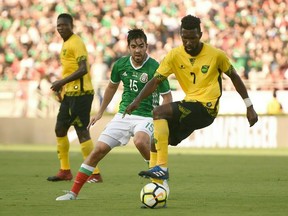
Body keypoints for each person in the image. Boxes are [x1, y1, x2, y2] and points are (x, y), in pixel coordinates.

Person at [124, 15, 259, 182]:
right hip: (189, 108)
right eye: (184, 38)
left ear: (200, 35)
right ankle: (157, 186)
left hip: (206, 108)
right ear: (180, 35)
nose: (188, 42)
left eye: (192, 38)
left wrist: (249, 106)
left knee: (158, 112)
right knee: (156, 141)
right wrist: (137, 100)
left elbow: (235, 77)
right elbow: (155, 81)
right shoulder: (174, 56)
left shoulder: (216, 55)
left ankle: (162, 168)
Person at [55, 28, 172, 200]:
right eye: (134, 46)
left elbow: (167, 96)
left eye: (141, 46)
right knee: (98, 151)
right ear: (128, 47)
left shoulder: (156, 67)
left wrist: (163, 118)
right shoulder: (120, 65)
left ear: (146, 46)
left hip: (147, 115)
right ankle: (73, 193)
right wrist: (100, 112)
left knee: (140, 141)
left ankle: (159, 177)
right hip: (124, 115)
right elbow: (111, 87)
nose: (138, 50)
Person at [47, 13, 102, 183]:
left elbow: (83, 68)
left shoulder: (76, 42)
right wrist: (62, 88)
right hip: (70, 94)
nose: (61, 28)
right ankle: (65, 171)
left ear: (72, 26)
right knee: (60, 129)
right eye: (58, 25)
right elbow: (70, 70)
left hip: (82, 94)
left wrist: (61, 82)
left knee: (81, 131)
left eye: (64, 25)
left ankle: (95, 174)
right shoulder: (65, 43)